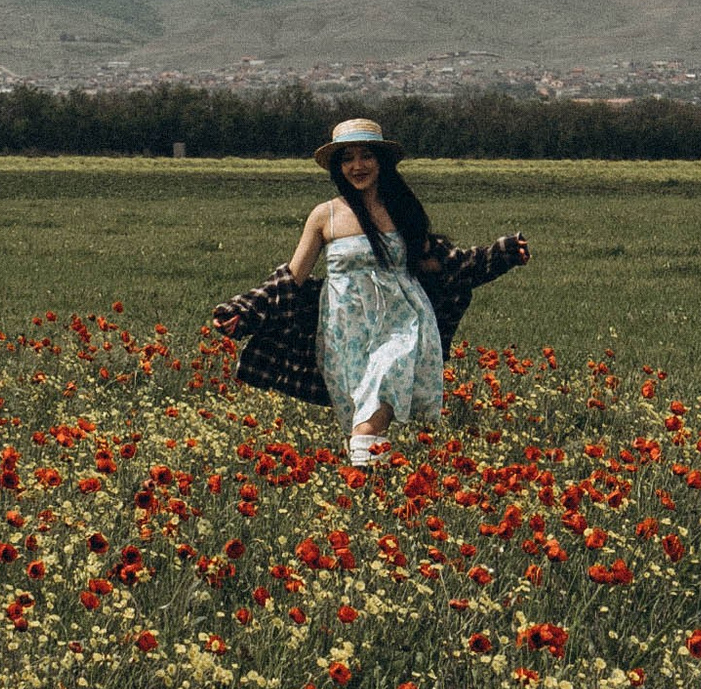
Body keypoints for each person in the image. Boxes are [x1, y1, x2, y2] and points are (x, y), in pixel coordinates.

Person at [212, 119, 530, 464]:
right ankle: (374, 487)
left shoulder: (402, 210)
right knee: (362, 419)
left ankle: (363, 481)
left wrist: (503, 253)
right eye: (347, 158)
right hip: (344, 333)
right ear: (338, 167)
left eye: (366, 156)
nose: (357, 166)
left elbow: (442, 264)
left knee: (373, 409)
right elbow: (291, 278)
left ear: (381, 162)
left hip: (404, 323)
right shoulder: (325, 216)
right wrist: (244, 309)